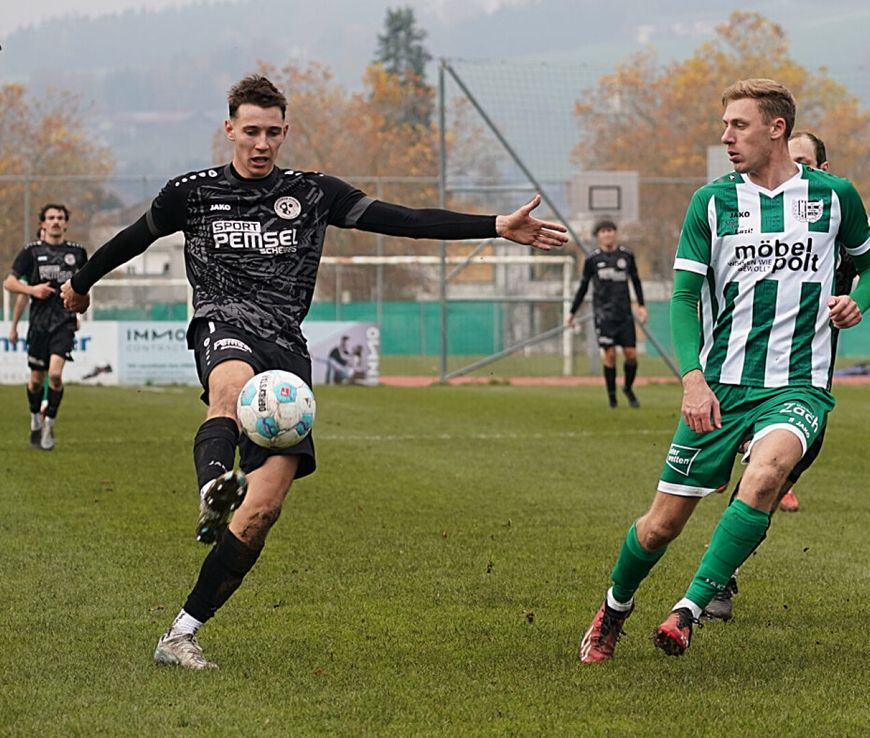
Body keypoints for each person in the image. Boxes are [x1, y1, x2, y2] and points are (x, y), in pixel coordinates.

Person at [61, 74, 567, 670]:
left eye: (273, 132)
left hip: (287, 354)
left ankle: (181, 633)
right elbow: (130, 240)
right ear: (229, 129)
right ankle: (213, 486)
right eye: (251, 131)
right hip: (224, 324)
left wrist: (494, 226)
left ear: (284, 132)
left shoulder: (312, 192)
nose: (261, 143)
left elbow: (403, 218)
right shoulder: (190, 194)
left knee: (266, 508)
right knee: (227, 385)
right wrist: (79, 283)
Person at [578, 78, 870, 662]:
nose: (726, 136)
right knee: (660, 526)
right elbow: (683, 299)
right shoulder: (711, 202)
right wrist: (692, 378)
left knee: (767, 473)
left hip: (798, 385)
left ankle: (689, 609)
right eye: (725, 125)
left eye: (739, 125)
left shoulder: (834, 197)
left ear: (776, 129)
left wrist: (863, 296)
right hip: (721, 386)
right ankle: (614, 609)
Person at [701, 130, 870, 621]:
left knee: (764, 484)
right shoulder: (742, 213)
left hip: (802, 388)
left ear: (822, 170)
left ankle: (719, 576)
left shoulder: (835, 225)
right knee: (741, 480)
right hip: (736, 377)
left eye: (802, 160)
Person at [4, 204, 87, 450]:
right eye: (51, 218)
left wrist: (79, 308)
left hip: (64, 323)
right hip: (39, 325)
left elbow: (84, 286)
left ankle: (49, 422)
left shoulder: (77, 252)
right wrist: (32, 290)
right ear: (42, 223)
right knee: (35, 381)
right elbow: (9, 283)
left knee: (55, 374)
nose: (56, 222)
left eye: (60, 218)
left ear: (66, 223)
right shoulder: (31, 252)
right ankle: (34, 418)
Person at [566, 220, 647, 408]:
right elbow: (583, 287)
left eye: (610, 230)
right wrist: (572, 312)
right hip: (603, 316)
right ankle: (612, 398)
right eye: (603, 231)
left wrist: (641, 305)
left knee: (631, 355)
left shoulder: (627, 256)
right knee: (610, 356)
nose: (607, 234)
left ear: (615, 233)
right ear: (598, 236)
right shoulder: (592, 259)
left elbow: (635, 281)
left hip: (624, 314)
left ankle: (627, 387)